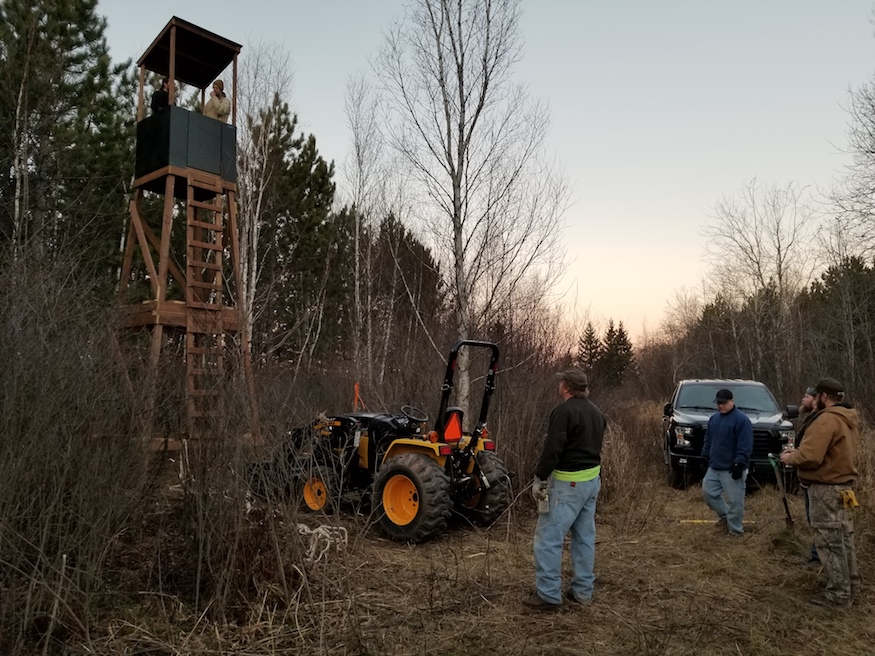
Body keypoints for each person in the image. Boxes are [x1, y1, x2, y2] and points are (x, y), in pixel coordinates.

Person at [522, 368, 606, 610]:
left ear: (566, 387)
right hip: (591, 483)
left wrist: (539, 476)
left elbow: (553, 448)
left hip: (568, 485)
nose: (559, 386)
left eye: (561, 383)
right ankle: (583, 591)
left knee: (548, 539)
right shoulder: (597, 412)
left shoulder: (563, 412)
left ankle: (548, 595)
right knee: (584, 538)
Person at [780, 377, 861, 607]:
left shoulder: (826, 420)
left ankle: (837, 595)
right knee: (844, 539)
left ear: (823, 397)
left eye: (815, 395)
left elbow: (811, 456)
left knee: (829, 541)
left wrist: (790, 457)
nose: (812, 398)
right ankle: (851, 587)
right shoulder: (847, 418)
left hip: (826, 489)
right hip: (843, 487)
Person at [701, 388, 753, 536]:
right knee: (708, 493)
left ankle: (736, 531)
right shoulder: (714, 419)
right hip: (715, 466)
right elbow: (709, 440)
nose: (720, 406)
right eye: (718, 403)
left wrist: (739, 463)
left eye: (723, 403)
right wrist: (705, 455)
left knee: (735, 501)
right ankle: (725, 517)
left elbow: (745, 445)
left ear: (732, 401)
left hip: (732, 468)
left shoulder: (742, 421)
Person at [795, 386, 821, 567]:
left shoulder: (822, 421)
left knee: (819, 521)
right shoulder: (812, 418)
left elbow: (814, 453)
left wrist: (794, 457)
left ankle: (819, 559)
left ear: (817, 399)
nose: (803, 399)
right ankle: (816, 555)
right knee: (814, 520)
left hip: (819, 479)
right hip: (809, 478)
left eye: (806, 396)